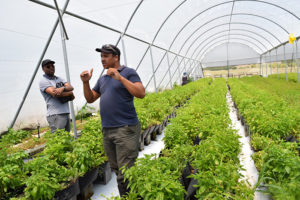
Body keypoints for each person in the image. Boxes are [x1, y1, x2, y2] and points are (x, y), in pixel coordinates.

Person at [80, 44, 145, 197]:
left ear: (115, 57)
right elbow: (90, 98)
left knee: (126, 171)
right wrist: (85, 82)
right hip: (108, 130)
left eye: (106, 56)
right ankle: (130, 195)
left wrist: (120, 78)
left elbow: (141, 93)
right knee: (117, 169)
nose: (102, 59)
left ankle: (131, 196)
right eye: (101, 56)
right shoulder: (103, 79)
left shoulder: (128, 72)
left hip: (125, 129)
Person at [39, 59, 75, 133]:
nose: (51, 68)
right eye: (48, 66)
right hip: (55, 115)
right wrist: (70, 93)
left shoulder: (59, 78)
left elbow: (71, 87)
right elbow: (55, 94)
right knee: (58, 139)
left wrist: (63, 88)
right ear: (43, 69)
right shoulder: (44, 81)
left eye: (52, 66)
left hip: (65, 112)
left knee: (66, 139)